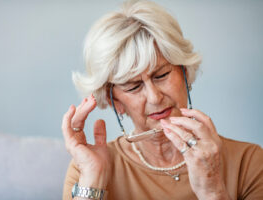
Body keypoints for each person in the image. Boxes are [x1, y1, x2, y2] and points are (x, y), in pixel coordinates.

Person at [61, 0, 263, 199]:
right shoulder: (86, 168)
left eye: (162, 75)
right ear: (115, 101)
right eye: (133, 87)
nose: (154, 97)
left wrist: (212, 190)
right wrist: (94, 180)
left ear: (184, 72)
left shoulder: (249, 162)